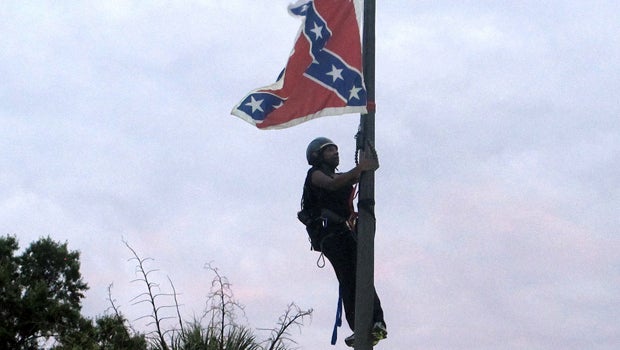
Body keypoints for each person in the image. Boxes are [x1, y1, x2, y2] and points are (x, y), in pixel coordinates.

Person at [299, 137, 387, 347]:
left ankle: (377, 322)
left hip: (345, 232)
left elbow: (352, 177)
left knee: (362, 274)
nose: (335, 152)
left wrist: (367, 167)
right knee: (348, 278)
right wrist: (360, 168)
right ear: (317, 157)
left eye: (336, 149)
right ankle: (359, 326)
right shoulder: (315, 175)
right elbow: (333, 184)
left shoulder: (339, 175)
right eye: (329, 150)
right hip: (330, 234)